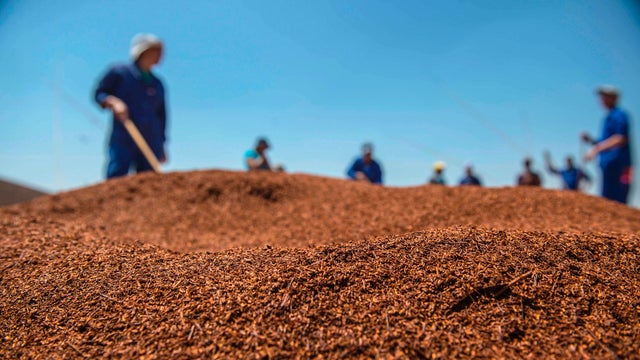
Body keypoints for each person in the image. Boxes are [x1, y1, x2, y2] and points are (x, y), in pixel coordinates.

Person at [94, 33, 168, 179]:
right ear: (143, 51)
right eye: (156, 51)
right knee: (117, 174)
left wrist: (162, 144)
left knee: (148, 181)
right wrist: (112, 102)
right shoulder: (120, 72)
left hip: (151, 138)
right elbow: (99, 93)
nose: (160, 55)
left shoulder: (157, 83)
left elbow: (162, 116)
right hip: (124, 134)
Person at [582, 85, 633, 204]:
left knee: (618, 200)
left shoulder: (619, 115)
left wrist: (596, 149)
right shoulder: (607, 118)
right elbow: (604, 141)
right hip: (608, 166)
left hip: (619, 164)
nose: (601, 100)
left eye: (605, 97)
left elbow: (620, 138)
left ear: (614, 98)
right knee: (607, 200)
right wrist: (590, 140)